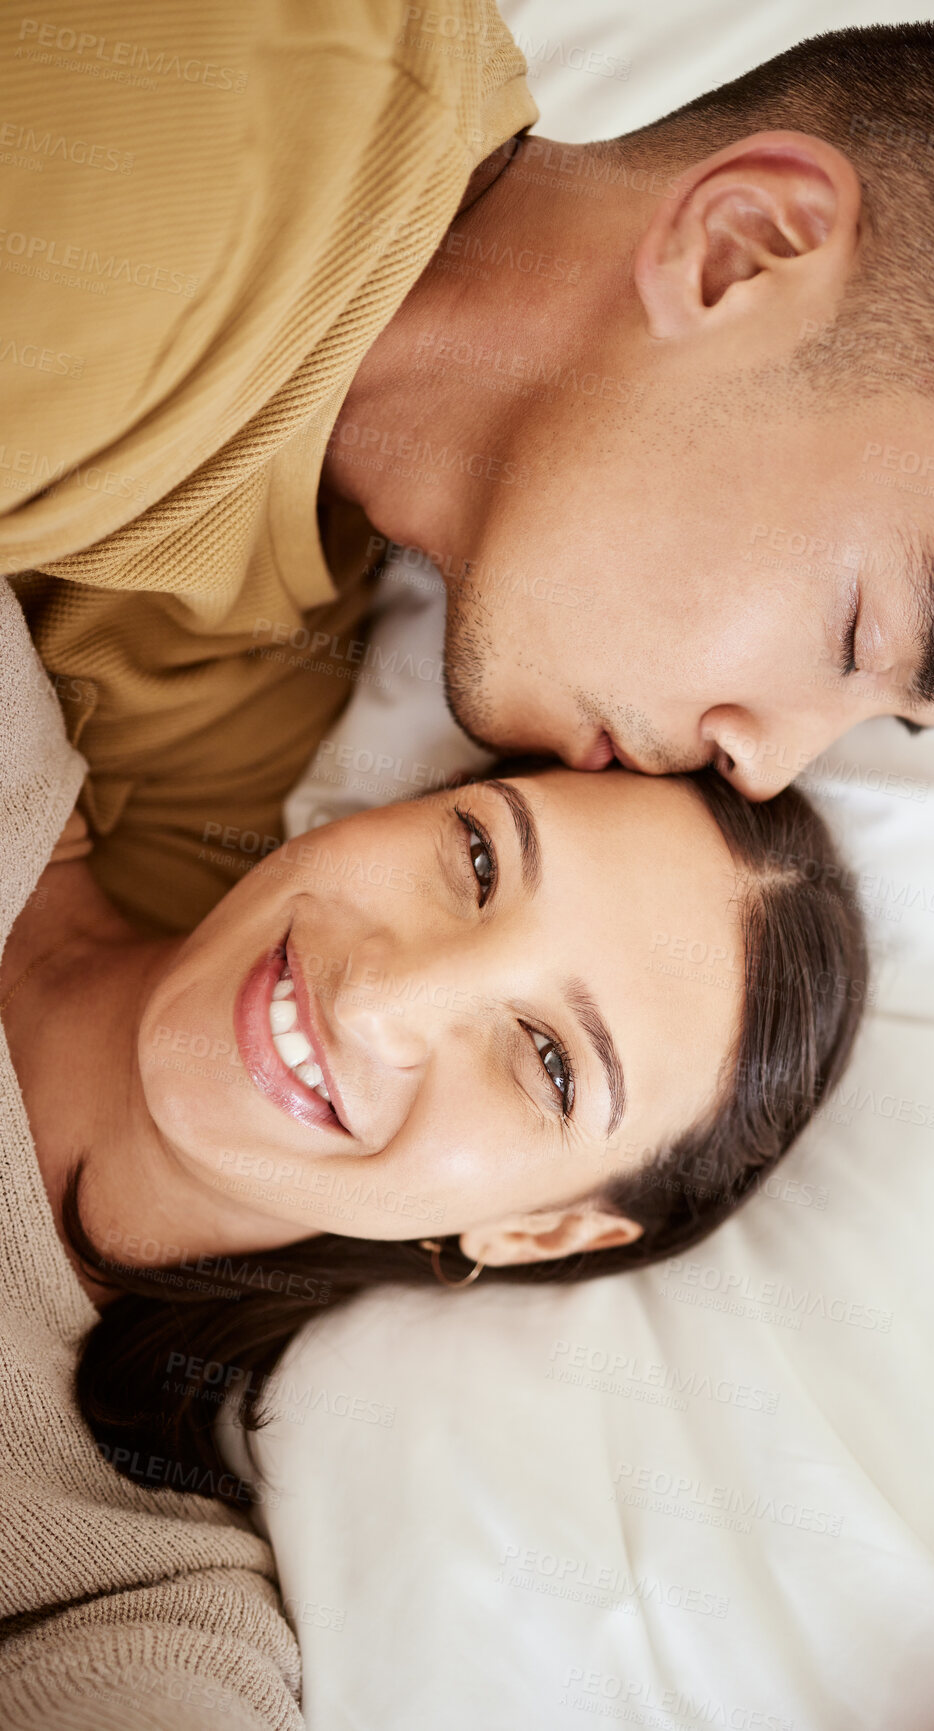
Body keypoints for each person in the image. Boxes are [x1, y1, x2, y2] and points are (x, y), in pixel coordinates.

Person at [4, 7, 934, 936]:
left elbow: (83, 1044)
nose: (762, 769)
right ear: (739, 248)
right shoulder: (167, 125)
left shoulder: (253, 646)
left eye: (869, 717)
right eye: (866, 636)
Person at [0, 573, 865, 1726]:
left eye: (552, 1064)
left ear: (537, 1231)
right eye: (477, 861)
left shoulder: (127, 1596)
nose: (380, 997)